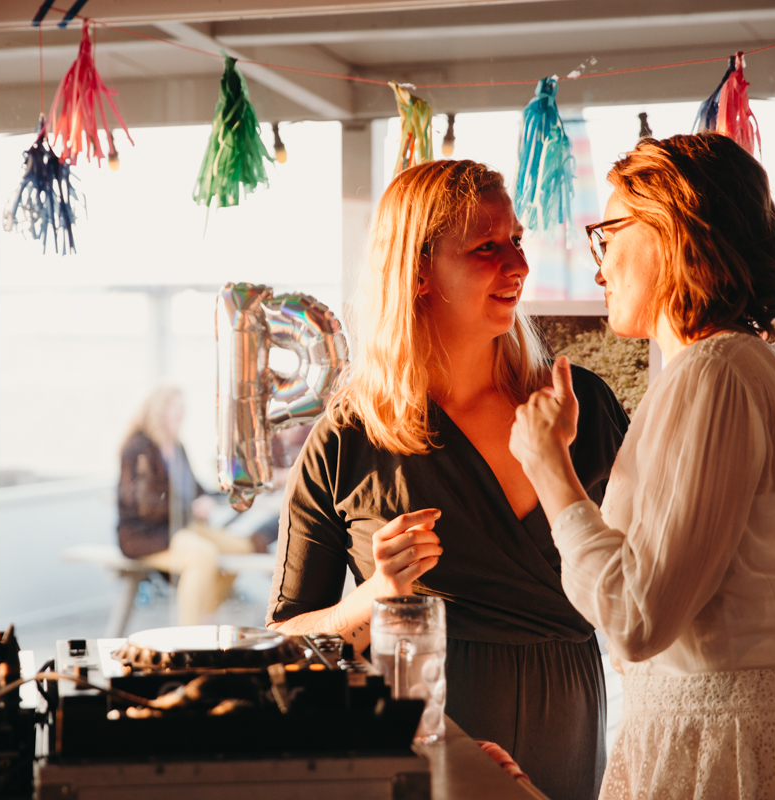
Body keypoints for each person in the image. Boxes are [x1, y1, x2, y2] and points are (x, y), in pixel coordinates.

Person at [509, 133, 775, 798]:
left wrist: (549, 467)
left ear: (672, 230)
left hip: (728, 756)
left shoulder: (717, 371)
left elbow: (637, 618)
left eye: (608, 234)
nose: (599, 268)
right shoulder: (728, 366)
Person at [266, 160, 629, 800]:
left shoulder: (583, 407)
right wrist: (375, 595)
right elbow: (284, 645)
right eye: (487, 247)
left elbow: (656, 585)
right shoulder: (347, 440)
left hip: (572, 736)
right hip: (419, 748)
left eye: (516, 240)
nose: (518, 265)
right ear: (419, 272)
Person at [117, 384, 258, 626]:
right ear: (159, 410)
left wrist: (221, 493)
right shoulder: (138, 448)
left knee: (241, 548)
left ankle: (205, 614)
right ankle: (189, 632)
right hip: (146, 535)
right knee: (202, 555)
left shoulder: (177, 446)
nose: (182, 413)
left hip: (182, 526)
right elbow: (142, 503)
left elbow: (193, 488)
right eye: (175, 407)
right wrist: (190, 507)